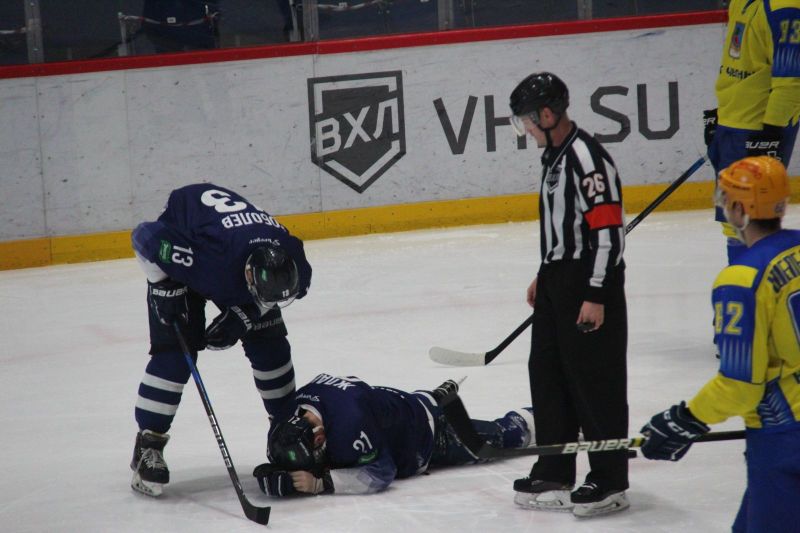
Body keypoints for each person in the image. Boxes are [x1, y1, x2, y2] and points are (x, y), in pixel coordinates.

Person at [641, 156, 800, 532]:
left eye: (725, 199)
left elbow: (741, 385)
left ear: (741, 209)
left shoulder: (742, 279)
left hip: (784, 438)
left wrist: (687, 419)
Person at [129, 183, 312, 497]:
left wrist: (247, 313)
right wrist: (163, 285)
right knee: (176, 355)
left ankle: (284, 430)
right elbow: (144, 236)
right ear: (249, 275)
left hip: (228, 251)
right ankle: (148, 445)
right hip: (189, 251)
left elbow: (267, 299)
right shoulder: (210, 260)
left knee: (271, 346)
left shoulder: (293, 260)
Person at [508, 72, 629, 518]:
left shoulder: (587, 159)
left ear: (547, 114)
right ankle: (555, 469)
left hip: (589, 283)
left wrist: (596, 293)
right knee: (547, 373)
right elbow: (564, 229)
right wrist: (546, 273)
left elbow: (609, 234)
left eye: (527, 120)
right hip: (558, 280)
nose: (525, 129)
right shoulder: (554, 157)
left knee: (594, 380)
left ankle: (610, 479)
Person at [252, 374, 534, 496]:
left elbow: (382, 472)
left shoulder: (350, 425)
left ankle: (548, 415)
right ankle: (430, 398)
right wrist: (277, 470)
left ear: (319, 438)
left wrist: (321, 483)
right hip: (394, 406)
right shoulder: (288, 413)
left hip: (426, 432)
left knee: (508, 435)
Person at [703, 0, 800, 265]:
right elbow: (740, 63)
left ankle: (753, 281)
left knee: (753, 217)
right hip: (732, 122)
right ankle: (743, 275)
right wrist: (722, 115)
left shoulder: (786, 8)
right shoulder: (741, 1)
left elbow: (791, 82)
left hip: (757, 127)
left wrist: (772, 133)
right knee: (731, 216)